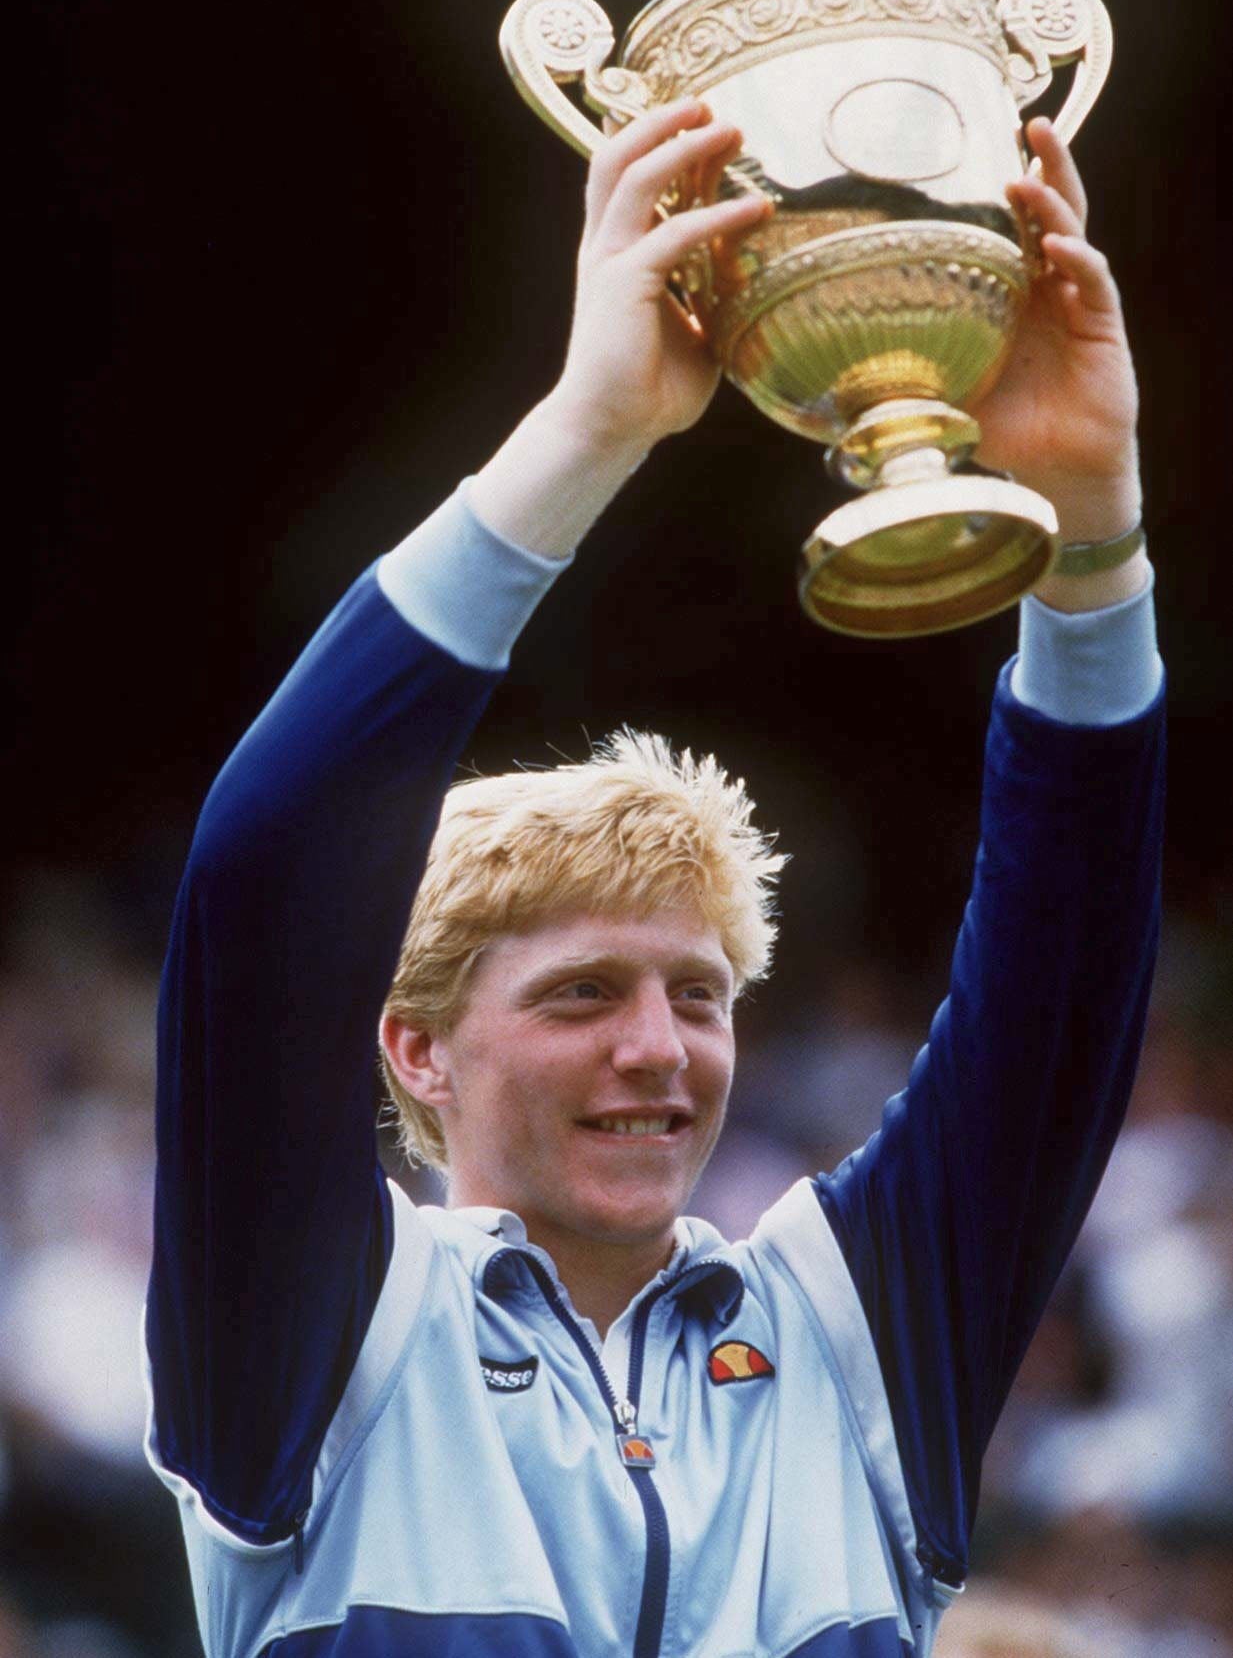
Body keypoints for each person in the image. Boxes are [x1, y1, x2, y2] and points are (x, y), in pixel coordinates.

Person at [143, 98, 1165, 1658]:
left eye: (695, 991)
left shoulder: (854, 1332)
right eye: (578, 992)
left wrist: (1091, 530)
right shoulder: (326, 1329)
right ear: (412, 1044)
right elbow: (272, 878)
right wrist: (588, 427)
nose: (655, 1044)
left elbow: (1062, 974)